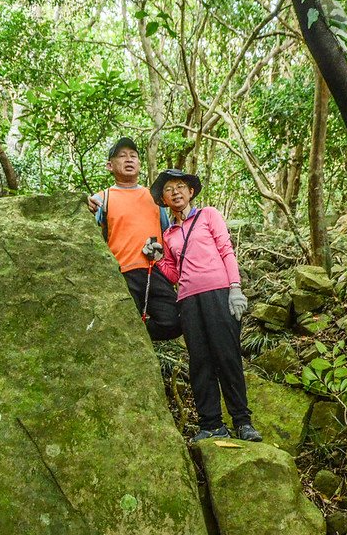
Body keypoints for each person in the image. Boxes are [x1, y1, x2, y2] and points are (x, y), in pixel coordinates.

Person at [145, 168, 262, 443]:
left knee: (227, 357)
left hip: (219, 293)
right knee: (200, 362)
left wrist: (235, 289)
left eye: (180, 186)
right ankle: (211, 424)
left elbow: (226, 250)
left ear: (191, 191)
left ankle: (243, 422)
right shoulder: (169, 233)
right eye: (169, 189)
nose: (175, 192)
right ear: (163, 199)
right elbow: (174, 274)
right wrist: (159, 258)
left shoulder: (209, 215)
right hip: (187, 300)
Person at [87, 138, 181, 341]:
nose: (129, 160)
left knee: (174, 320)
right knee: (123, 324)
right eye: (122, 156)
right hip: (121, 273)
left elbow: (168, 234)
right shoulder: (102, 198)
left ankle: (138, 333)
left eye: (133, 156)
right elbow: (89, 233)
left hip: (154, 270)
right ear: (110, 166)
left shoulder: (155, 197)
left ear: (139, 164)